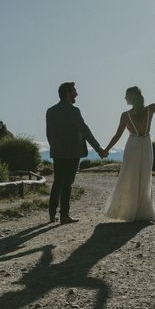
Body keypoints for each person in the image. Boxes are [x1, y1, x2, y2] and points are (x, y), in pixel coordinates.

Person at [101, 74, 155, 222]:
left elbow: (117, 135)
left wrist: (106, 149)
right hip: (145, 144)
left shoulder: (126, 115)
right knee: (143, 176)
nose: (125, 99)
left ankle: (134, 211)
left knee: (131, 176)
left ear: (132, 98)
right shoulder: (149, 110)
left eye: (126, 96)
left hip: (134, 145)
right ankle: (141, 211)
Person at [46, 82, 104, 224]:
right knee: (67, 184)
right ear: (67, 93)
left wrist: (55, 148)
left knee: (57, 182)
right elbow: (85, 131)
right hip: (73, 152)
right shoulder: (74, 111)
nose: (76, 94)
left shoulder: (50, 111)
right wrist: (99, 149)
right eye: (74, 92)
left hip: (58, 152)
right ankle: (64, 215)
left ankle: (52, 214)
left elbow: (49, 134)